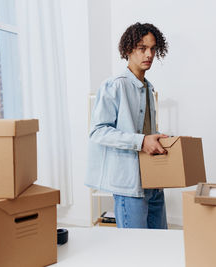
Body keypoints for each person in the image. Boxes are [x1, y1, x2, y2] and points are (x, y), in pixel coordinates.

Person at [85, 22, 169, 229]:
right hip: (129, 185)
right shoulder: (115, 85)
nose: (148, 54)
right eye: (142, 48)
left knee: (161, 245)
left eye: (152, 48)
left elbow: (145, 130)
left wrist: (158, 139)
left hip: (153, 182)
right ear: (128, 50)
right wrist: (141, 142)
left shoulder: (148, 88)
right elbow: (98, 131)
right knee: (135, 249)